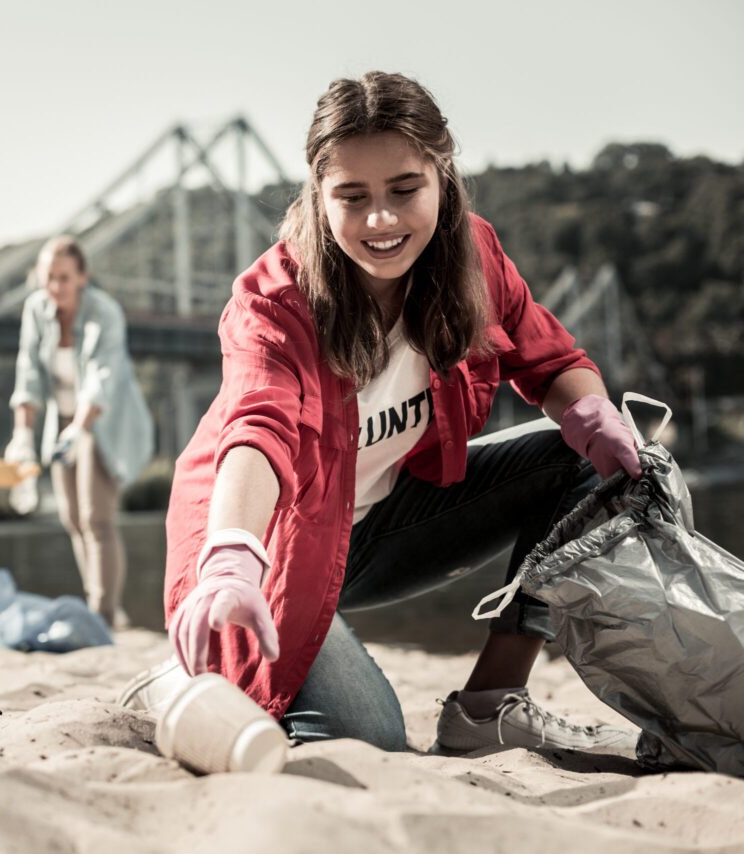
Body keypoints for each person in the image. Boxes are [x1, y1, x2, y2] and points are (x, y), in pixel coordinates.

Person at [152, 72, 644, 754]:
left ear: (441, 175)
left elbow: (555, 362)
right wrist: (233, 553)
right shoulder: (275, 300)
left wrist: (594, 415)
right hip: (265, 542)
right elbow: (255, 430)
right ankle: (177, 677)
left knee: (578, 462)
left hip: (382, 525)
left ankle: (488, 705)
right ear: (319, 197)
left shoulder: (475, 257)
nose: (381, 220)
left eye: (404, 190)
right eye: (352, 198)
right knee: (365, 737)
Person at [5, 237, 154, 629]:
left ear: (82, 277)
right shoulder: (35, 310)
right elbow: (29, 375)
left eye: (64, 278)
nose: (55, 287)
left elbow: (100, 381)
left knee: (97, 518)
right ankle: (99, 605)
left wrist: (79, 429)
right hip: (61, 420)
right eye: (48, 278)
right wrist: (22, 434)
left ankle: (103, 614)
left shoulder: (104, 313)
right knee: (71, 518)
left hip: (101, 420)